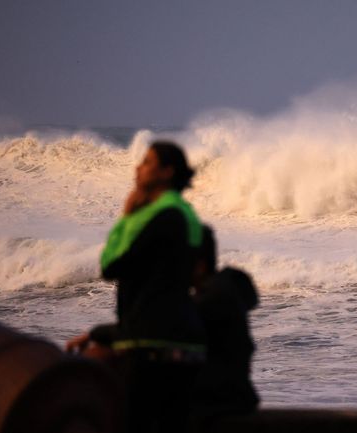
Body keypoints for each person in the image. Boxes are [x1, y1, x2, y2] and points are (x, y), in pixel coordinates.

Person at [67, 140, 206, 433]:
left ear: (167, 172)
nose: (138, 168)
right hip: (183, 342)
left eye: (147, 162)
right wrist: (99, 334)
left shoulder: (162, 217)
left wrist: (126, 216)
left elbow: (112, 266)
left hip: (153, 348)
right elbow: (166, 287)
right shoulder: (186, 215)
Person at [190, 226, 260, 430]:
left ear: (199, 266)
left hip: (217, 406)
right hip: (238, 399)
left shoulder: (210, 301)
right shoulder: (224, 290)